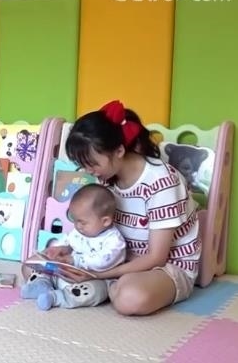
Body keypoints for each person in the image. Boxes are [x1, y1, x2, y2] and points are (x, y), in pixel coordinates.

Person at [57, 100, 200, 316]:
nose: (89, 171)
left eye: (93, 163)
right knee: (33, 266)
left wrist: (98, 274)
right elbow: (99, 228)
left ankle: (104, 286)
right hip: (117, 258)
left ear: (119, 150)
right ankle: (104, 286)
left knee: (129, 298)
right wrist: (67, 250)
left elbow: (157, 258)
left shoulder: (161, 181)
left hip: (167, 268)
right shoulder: (107, 177)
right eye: (84, 165)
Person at [20, 183, 126, 311]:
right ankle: (42, 285)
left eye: (82, 222)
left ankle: (57, 297)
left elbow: (102, 261)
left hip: (92, 279)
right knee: (33, 266)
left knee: (95, 291)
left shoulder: (114, 241)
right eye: (75, 220)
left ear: (105, 221)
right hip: (65, 274)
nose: (77, 226)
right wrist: (58, 249)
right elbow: (68, 239)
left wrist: (74, 260)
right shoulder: (80, 231)